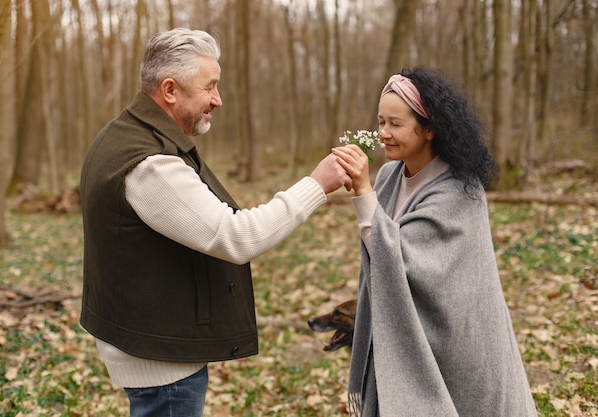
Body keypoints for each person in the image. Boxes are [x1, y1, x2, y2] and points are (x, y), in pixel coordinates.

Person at [79, 28, 351, 417]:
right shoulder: (149, 165)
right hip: (164, 367)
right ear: (170, 90)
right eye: (210, 87)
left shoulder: (125, 134)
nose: (218, 100)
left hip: (155, 351)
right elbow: (236, 236)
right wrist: (317, 186)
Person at [332, 67, 537, 417]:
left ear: (430, 128)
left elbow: (406, 262)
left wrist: (365, 195)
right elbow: (379, 261)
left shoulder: (460, 190)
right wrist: (368, 195)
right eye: (381, 122)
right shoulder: (388, 176)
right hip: (400, 330)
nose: (383, 133)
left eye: (395, 124)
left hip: (457, 342)